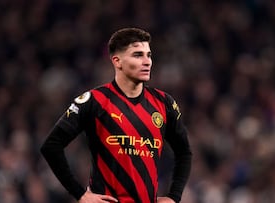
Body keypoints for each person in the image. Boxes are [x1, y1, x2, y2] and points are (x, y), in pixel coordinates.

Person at [41, 27, 192, 203]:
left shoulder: (164, 103)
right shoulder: (95, 101)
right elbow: (51, 146)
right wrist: (80, 194)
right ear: (117, 61)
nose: (147, 62)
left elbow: (184, 152)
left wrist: (174, 197)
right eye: (138, 55)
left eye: (148, 55)